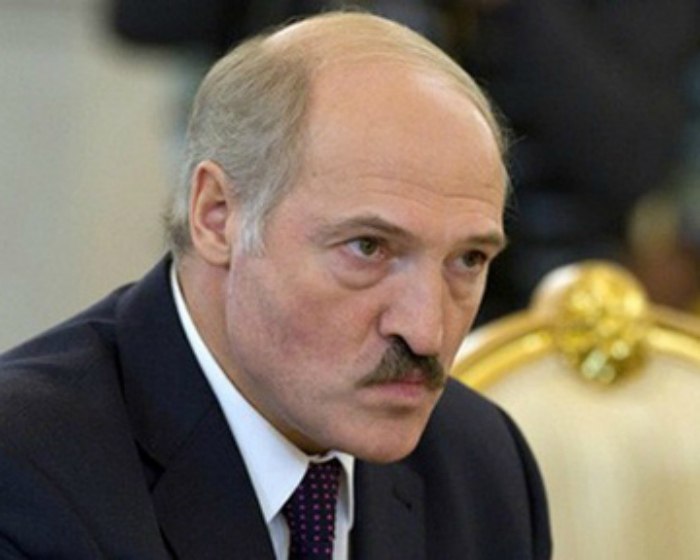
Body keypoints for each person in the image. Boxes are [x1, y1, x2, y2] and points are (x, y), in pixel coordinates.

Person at [0, 11, 551, 560]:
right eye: (368, 248)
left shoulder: (479, 465)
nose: (426, 332)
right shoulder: (24, 472)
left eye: (468, 259)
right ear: (217, 216)